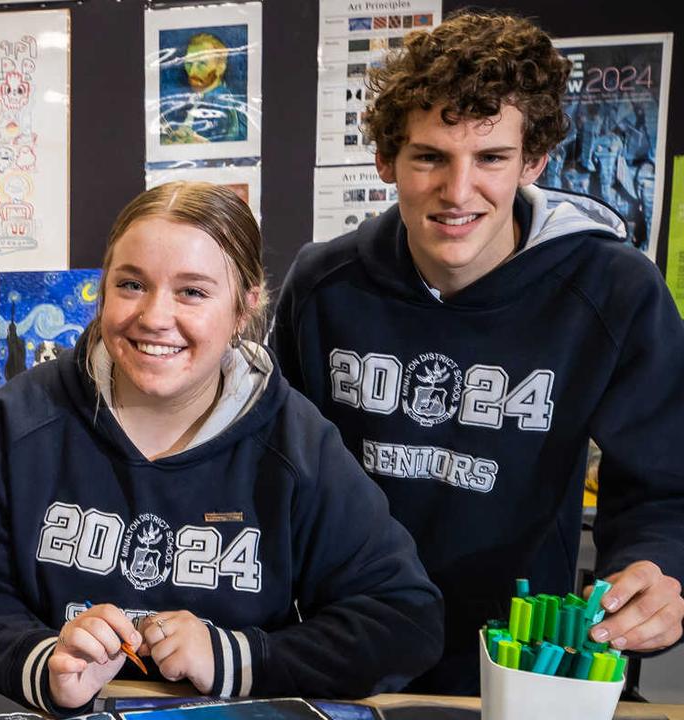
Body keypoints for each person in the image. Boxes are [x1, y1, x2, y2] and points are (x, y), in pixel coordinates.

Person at [271, 12, 684, 695]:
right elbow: (268, 469)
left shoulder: (614, 290)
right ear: (386, 161)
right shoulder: (322, 287)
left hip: (523, 667)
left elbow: (666, 486)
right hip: (339, 656)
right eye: (430, 156)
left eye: (490, 158)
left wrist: (660, 565)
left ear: (533, 161)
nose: (458, 192)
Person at [0, 182, 443, 715]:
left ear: (244, 306)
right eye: (131, 285)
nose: (154, 317)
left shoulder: (294, 441)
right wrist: (43, 661)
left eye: (192, 291)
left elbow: (405, 618)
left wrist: (233, 657)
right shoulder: (21, 418)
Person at [160, 32, 247, 145]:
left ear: (220, 68)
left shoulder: (222, 106)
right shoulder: (197, 99)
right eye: (189, 64)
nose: (192, 72)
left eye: (201, 64)